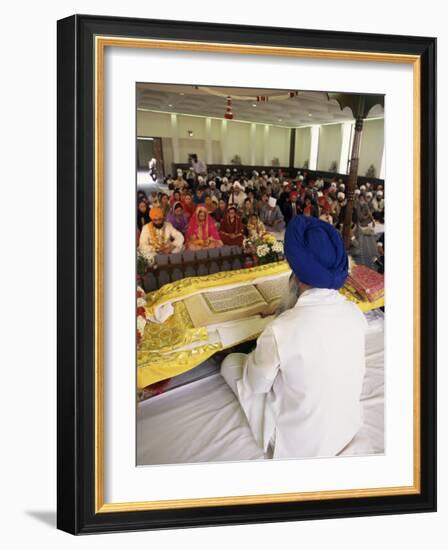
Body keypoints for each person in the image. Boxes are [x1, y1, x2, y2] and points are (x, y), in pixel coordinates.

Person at [220, 215, 367, 459]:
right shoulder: (354, 313)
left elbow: (256, 385)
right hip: (347, 427)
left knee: (231, 364)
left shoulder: (281, 329)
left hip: (301, 445)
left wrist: (259, 358)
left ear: (296, 277)